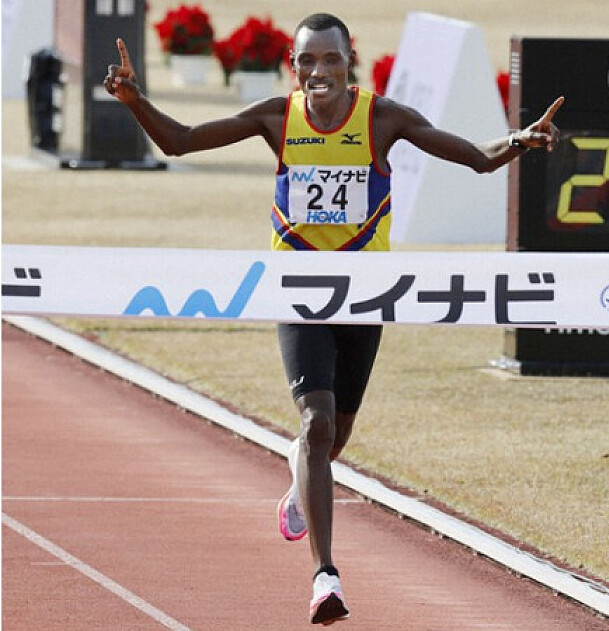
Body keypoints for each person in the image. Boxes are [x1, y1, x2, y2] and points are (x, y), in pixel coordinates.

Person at [104, 12, 562, 626]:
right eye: (306, 60)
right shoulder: (276, 117)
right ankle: (325, 577)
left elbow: (476, 159)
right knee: (316, 424)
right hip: (297, 291)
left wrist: (520, 141)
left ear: (351, 60)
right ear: (293, 67)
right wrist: (136, 101)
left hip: (364, 296)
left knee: (335, 436)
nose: (318, 71)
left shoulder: (383, 118)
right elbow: (181, 141)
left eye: (330, 58)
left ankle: (302, 483)